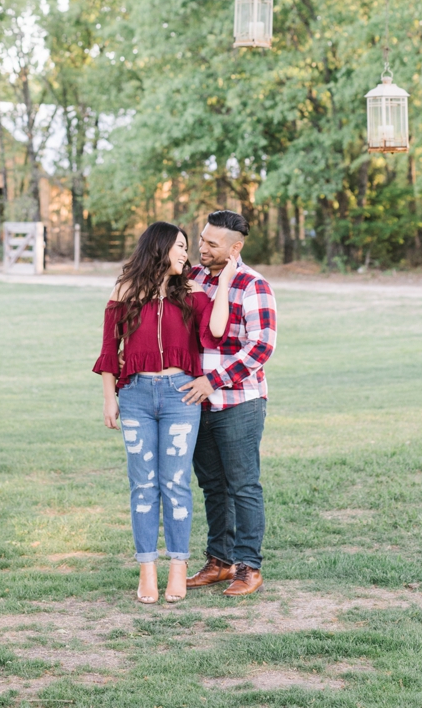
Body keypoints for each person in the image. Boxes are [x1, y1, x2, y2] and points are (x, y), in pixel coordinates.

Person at [93, 221, 206, 604]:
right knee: (143, 486)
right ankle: (147, 571)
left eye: (186, 247)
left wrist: (221, 286)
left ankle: (178, 568)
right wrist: (111, 399)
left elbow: (218, 332)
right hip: (136, 396)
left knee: (175, 484)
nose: (184, 253)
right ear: (159, 248)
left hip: (180, 397)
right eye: (179, 246)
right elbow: (110, 352)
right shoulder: (124, 291)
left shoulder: (191, 292)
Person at [180, 209, 278, 598]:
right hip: (197, 403)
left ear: (235, 248)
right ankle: (219, 562)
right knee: (213, 486)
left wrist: (213, 381)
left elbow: (262, 347)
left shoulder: (254, 285)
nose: (201, 248)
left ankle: (248, 567)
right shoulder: (193, 279)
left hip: (239, 402)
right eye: (201, 240)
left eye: (211, 244)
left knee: (243, 486)